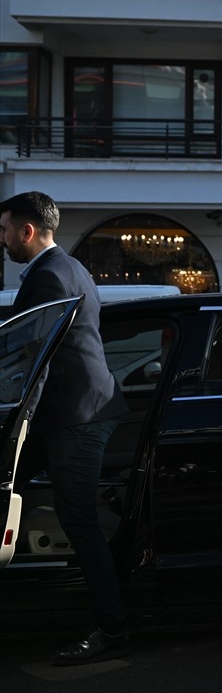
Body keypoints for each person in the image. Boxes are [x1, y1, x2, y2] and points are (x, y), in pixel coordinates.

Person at [0, 192, 129, 665]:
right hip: (79, 410)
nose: (2, 239)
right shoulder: (68, 268)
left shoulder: (51, 276)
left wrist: (15, 421)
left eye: (5, 229)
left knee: (78, 521)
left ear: (27, 231)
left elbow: (34, 360)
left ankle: (112, 629)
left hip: (77, 417)